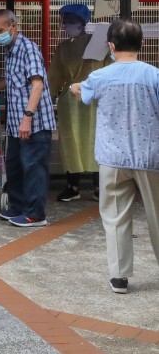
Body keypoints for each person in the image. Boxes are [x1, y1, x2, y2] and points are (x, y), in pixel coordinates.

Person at [72, 18, 159, 295]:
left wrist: (77, 86)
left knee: (116, 217)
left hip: (112, 158)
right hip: (150, 157)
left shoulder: (100, 76)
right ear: (141, 44)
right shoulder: (154, 76)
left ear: (111, 45)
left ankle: (120, 277)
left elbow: (80, 92)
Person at [0, 9, 56, 228]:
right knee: (14, 166)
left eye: (0, 30)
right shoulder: (10, 49)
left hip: (33, 122)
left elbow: (38, 84)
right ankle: (18, 206)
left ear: (13, 27)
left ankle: (35, 214)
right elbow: (12, 79)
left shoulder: (28, 49)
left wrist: (28, 117)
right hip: (15, 123)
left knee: (33, 167)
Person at [48, 3, 103, 203]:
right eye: (65, 21)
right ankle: (73, 186)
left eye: (71, 21)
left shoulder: (100, 44)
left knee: (96, 142)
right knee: (72, 143)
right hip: (73, 102)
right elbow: (54, 77)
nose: (67, 25)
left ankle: (99, 187)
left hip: (95, 100)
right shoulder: (63, 48)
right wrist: (47, 97)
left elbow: (108, 69)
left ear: (83, 23)